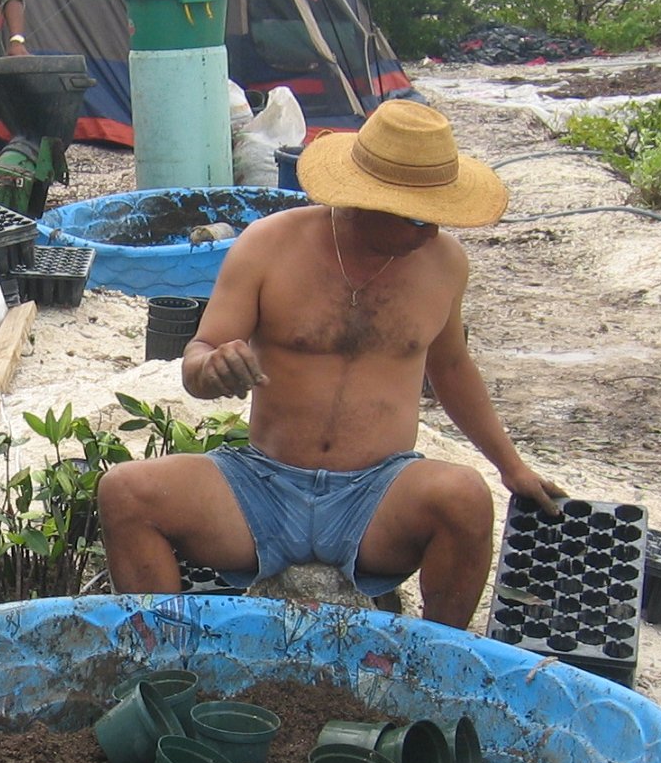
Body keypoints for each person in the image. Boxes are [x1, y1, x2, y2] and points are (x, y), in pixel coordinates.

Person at [97, 100, 564, 628]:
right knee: (125, 491)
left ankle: (432, 666)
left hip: (377, 493)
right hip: (261, 486)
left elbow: (452, 369)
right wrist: (213, 367)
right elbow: (198, 359)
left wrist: (512, 466)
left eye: (438, 217)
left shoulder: (443, 263)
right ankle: (165, 664)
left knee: (465, 498)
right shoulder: (269, 246)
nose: (429, 233)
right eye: (415, 218)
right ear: (366, 201)